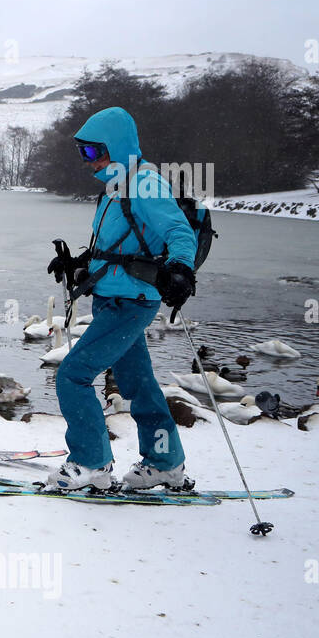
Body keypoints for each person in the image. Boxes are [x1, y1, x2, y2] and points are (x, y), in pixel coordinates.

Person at [44, 106, 197, 491]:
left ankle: (91, 463)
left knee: (73, 376)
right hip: (114, 297)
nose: (88, 162)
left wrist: (180, 268)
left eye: (94, 152)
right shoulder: (117, 188)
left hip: (130, 303)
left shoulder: (144, 182)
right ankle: (165, 463)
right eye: (83, 153)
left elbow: (180, 231)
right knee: (138, 385)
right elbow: (118, 247)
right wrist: (80, 264)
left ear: (117, 146)